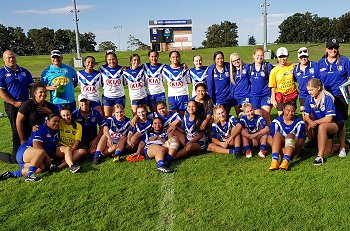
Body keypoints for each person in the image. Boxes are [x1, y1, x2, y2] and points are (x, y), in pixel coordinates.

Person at [0, 114, 60, 182]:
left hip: (33, 156)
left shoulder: (56, 131)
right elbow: (36, 145)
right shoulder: (40, 128)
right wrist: (48, 158)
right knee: (41, 152)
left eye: (58, 121)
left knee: (41, 168)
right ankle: (30, 175)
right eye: (54, 121)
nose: (57, 123)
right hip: (24, 151)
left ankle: (11, 174)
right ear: (47, 121)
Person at [317, 38, 350, 157]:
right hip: (326, 97)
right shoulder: (320, 63)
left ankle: (342, 147)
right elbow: (317, 82)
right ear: (326, 49)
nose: (333, 50)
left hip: (341, 96)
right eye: (331, 48)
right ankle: (343, 143)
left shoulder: (344, 61)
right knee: (329, 120)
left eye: (335, 47)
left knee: (340, 122)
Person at [0, 50, 34, 163]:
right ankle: (15, 155)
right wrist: (14, 103)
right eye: (8, 58)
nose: (11, 59)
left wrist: (32, 99)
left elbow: (32, 87)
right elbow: (1, 92)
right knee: (16, 129)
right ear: (4, 59)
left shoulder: (24, 71)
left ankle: (30, 151)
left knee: (30, 126)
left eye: (13, 57)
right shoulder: (2, 73)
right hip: (12, 106)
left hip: (26, 104)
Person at [304, 78, 346, 165]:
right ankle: (346, 144)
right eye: (308, 90)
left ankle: (320, 157)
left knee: (322, 126)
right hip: (324, 124)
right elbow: (306, 116)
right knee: (328, 151)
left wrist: (314, 122)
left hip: (336, 123)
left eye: (311, 90)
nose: (309, 92)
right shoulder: (308, 99)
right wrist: (310, 122)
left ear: (318, 88)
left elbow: (329, 119)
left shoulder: (328, 98)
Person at [268, 101, 306, 171]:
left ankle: (285, 162)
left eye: (292, 111)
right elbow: (270, 138)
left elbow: (301, 141)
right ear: (283, 110)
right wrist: (282, 150)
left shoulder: (300, 123)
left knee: (290, 135)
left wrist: (290, 150)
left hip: (294, 149)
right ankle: (274, 161)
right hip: (281, 148)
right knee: (277, 135)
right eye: (288, 110)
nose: (290, 113)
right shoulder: (276, 121)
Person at [269, 47, 298, 116]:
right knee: (281, 116)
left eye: (284, 56)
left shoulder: (292, 66)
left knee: (291, 114)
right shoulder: (274, 71)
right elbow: (273, 86)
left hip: (292, 95)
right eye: (280, 57)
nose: (282, 59)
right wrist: (273, 99)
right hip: (281, 96)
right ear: (277, 57)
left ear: (287, 56)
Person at [249, 47, 274, 124]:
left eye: (261, 55)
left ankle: (271, 134)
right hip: (254, 96)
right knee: (257, 116)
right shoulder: (249, 67)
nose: (259, 57)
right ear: (253, 56)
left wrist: (273, 96)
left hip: (265, 95)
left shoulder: (267, 66)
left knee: (266, 116)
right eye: (258, 55)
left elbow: (273, 81)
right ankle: (260, 134)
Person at [161, 51, 190, 117]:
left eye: (177, 57)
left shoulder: (184, 69)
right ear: (170, 58)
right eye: (173, 57)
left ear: (179, 58)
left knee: (181, 116)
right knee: (173, 116)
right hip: (172, 96)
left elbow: (189, 81)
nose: (175, 58)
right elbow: (162, 81)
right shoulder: (165, 70)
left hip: (183, 95)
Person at [293, 47, 319, 119]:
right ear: (298, 58)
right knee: (305, 118)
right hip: (303, 96)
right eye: (301, 57)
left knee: (315, 116)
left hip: (315, 95)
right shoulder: (295, 69)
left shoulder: (315, 65)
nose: (303, 59)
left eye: (305, 56)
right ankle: (307, 130)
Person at [55, 106, 82, 172]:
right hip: (60, 149)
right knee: (67, 149)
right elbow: (48, 123)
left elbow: (76, 142)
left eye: (68, 115)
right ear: (60, 116)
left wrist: (69, 153)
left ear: (71, 114)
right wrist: (36, 127)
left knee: (82, 151)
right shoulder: (59, 122)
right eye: (63, 115)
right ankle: (72, 166)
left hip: (71, 148)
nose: (66, 117)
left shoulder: (78, 125)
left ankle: (59, 167)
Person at [99, 51, 125, 117]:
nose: (112, 61)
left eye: (113, 59)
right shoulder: (102, 69)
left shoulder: (121, 69)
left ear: (116, 59)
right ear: (106, 60)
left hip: (120, 97)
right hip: (107, 97)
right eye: (109, 60)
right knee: (106, 117)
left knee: (119, 117)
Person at [229, 52, 251, 117]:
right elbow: (232, 86)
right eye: (234, 61)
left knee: (246, 115)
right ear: (232, 62)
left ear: (240, 59)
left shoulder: (246, 67)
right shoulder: (232, 72)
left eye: (237, 59)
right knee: (239, 116)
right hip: (236, 97)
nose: (236, 62)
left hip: (245, 96)